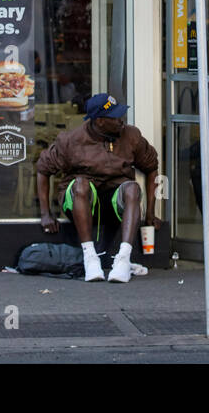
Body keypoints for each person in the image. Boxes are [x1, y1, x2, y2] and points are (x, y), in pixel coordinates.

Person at [36, 93, 161, 283]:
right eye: (115, 117)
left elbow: (152, 168)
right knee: (81, 184)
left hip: (113, 201)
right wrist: (45, 213)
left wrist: (150, 213)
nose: (121, 121)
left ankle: (123, 259)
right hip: (82, 200)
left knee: (132, 188)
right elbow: (42, 170)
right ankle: (90, 257)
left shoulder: (131, 135)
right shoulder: (71, 140)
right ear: (100, 121)